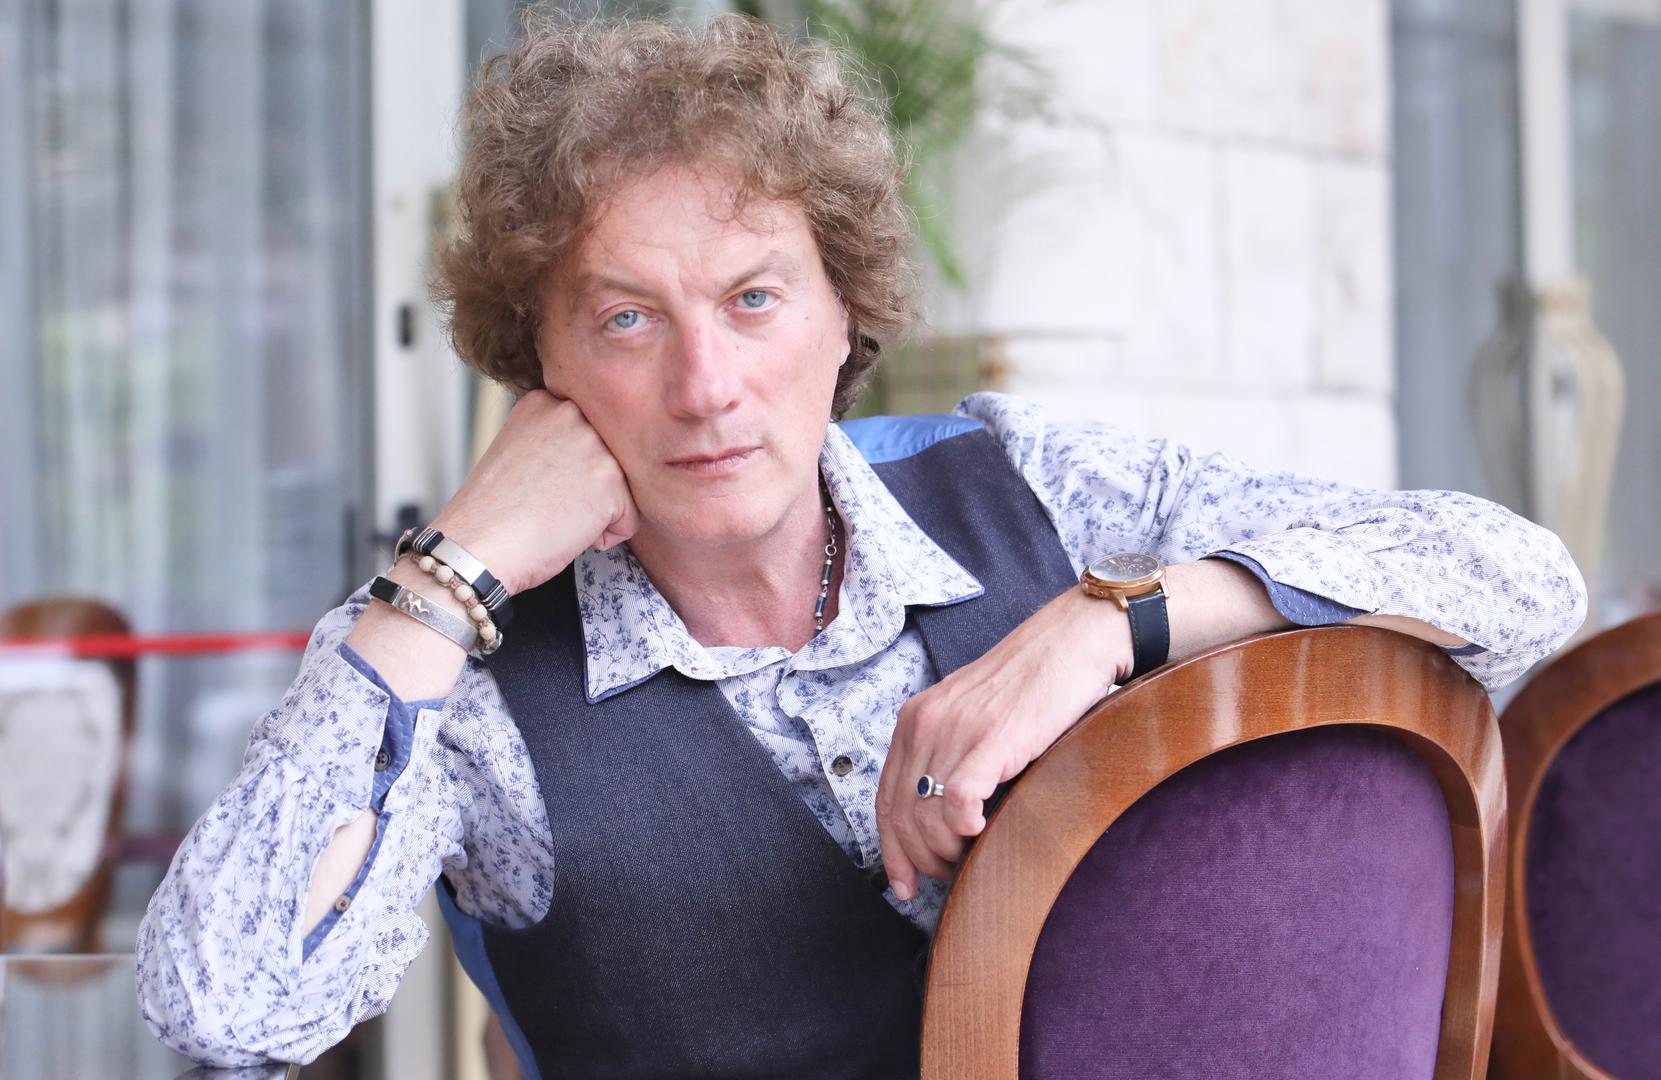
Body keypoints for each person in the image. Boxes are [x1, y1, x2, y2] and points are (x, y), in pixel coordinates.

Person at [137, 12, 1586, 1078]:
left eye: (754, 299)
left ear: (846, 313)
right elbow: (226, 1013)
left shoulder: (1028, 488)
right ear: (542, 368)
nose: (705, 385)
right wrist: (448, 570)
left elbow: (1519, 580)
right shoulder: (458, 676)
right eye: (627, 319)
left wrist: (1113, 622)